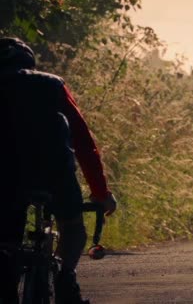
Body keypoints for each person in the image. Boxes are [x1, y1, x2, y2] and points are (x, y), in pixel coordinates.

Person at [0, 37, 117, 304]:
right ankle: (66, 276)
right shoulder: (51, 84)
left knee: (6, 240)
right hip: (54, 171)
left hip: (4, 175)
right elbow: (83, 141)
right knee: (72, 225)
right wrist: (100, 192)